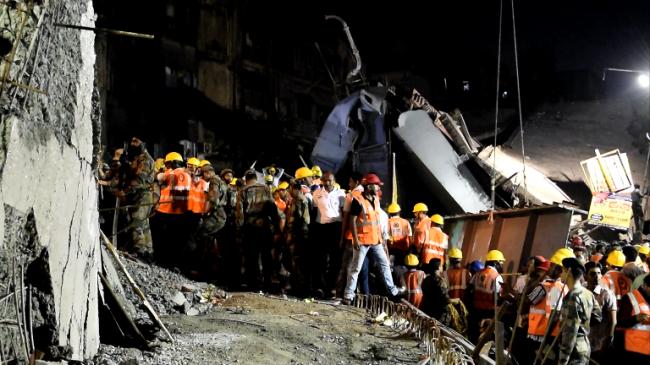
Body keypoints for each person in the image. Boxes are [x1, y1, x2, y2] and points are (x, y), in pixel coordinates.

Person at [342, 173, 402, 305]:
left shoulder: (375, 199)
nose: (379, 188)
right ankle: (348, 295)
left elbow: (375, 221)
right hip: (362, 241)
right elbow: (352, 221)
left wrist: (381, 239)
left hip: (375, 241)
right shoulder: (358, 201)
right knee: (355, 268)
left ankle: (392, 291)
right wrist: (356, 240)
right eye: (377, 186)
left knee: (385, 264)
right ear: (369, 186)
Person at [236, 170, 280, 292]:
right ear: (256, 178)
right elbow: (273, 209)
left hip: (250, 228)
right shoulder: (266, 189)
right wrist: (276, 228)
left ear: (246, 179)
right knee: (266, 256)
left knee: (251, 257)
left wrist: (239, 231)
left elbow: (240, 214)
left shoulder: (242, 191)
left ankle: (253, 284)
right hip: (265, 227)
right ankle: (268, 283)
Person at [557, 257, 601, 365]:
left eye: (563, 271)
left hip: (574, 351)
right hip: (584, 347)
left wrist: (563, 360)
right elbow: (598, 316)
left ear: (569, 272)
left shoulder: (572, 296)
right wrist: (583, 325)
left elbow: (570, 332)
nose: (560, 275)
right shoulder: (588, 293)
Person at [311, 171, 345, 297]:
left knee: (335, 260)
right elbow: (314, 211)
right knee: (321, 259)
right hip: (321, 228)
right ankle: (319, 287)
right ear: (321, 181)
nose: (327, 183)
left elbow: (344, 213)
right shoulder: (317, 193)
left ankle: (331, 288)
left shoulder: (341, 194)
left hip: (336, 228)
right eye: (325, 180)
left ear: (334, 180)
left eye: (330, 180)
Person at [122, 137, 155, 259]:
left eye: (136, 142)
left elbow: (139, 179)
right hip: (140, 195)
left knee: (137, 222)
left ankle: (140, 250)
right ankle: (148, 252)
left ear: (142, 143)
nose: (132, 144)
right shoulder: (138, 159)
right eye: (131, 142)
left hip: (144, 195)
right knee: (144, 224)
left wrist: (125, 192)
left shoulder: (145, 160)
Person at [584, 261, 616, 363]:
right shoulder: (581, 291)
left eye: (598, 273)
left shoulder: (606, 295)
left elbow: (613, 321)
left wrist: (608, 341)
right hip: (582, 342)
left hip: (598, 344)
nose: (597, 276)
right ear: (585, 276)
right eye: (593, 274)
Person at [617, 274, 650, 361]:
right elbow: (620, 322)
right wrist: (635, 319)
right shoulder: (629, 298)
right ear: (645, 286)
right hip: (632, 352)